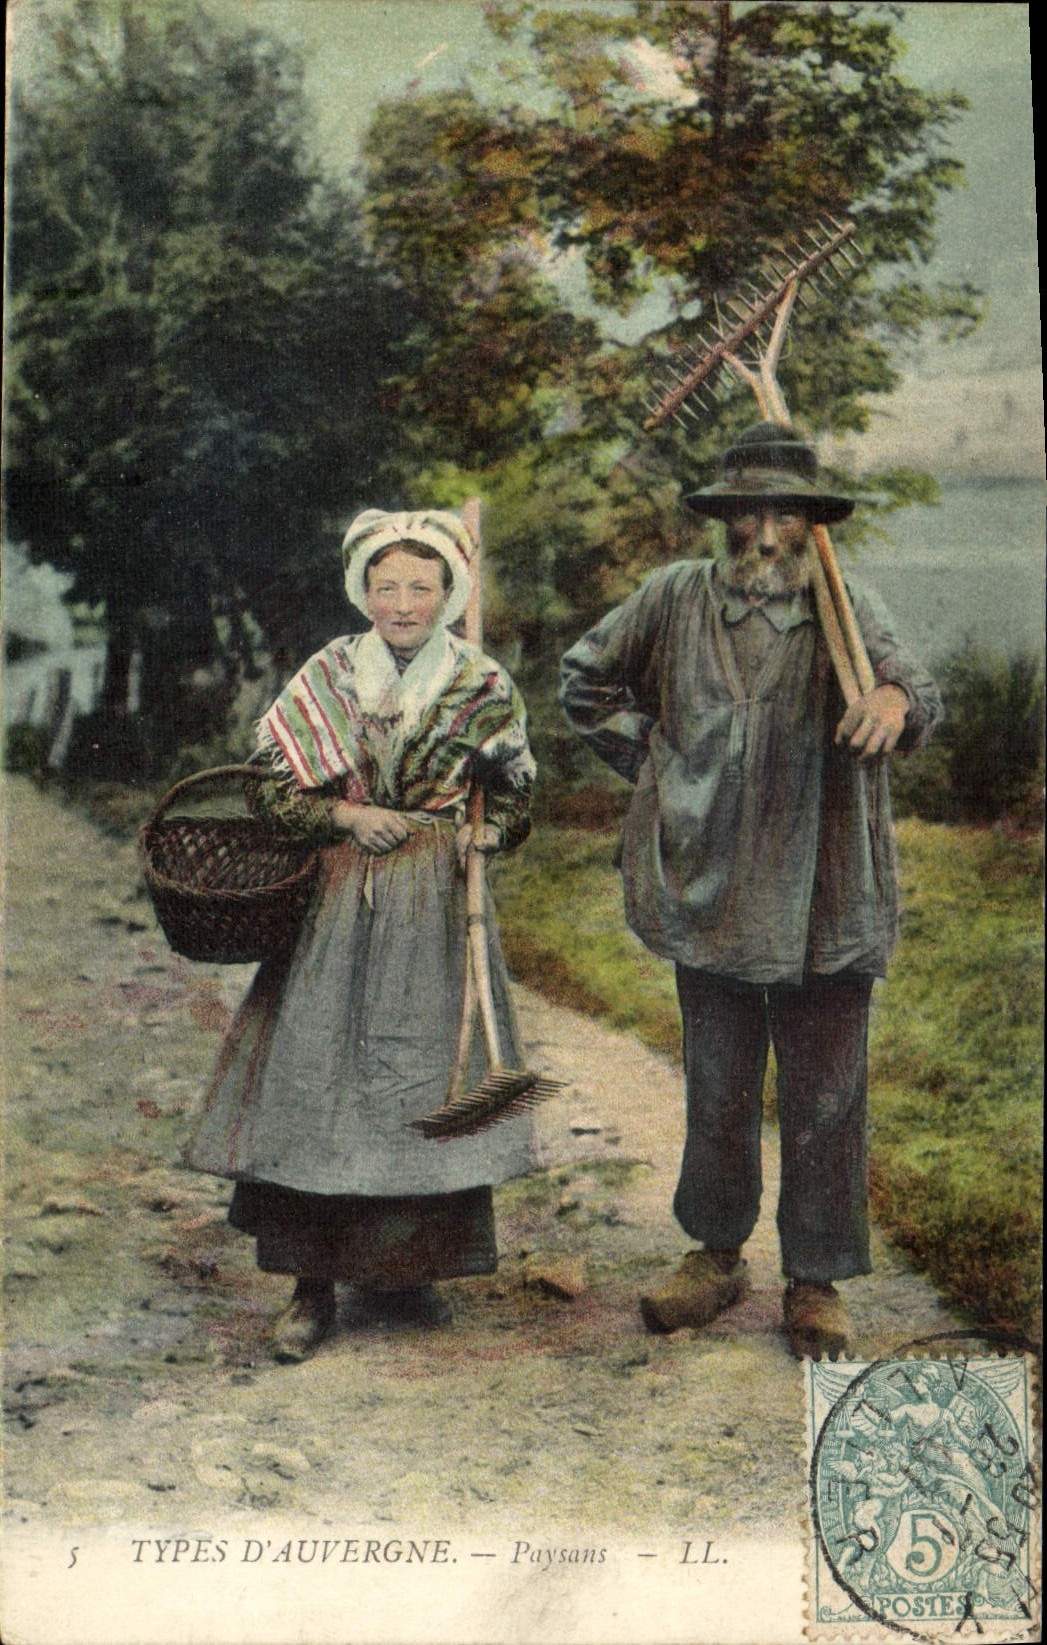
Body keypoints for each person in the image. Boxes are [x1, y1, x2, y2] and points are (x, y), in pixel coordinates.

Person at [559, 422, 941, 1358]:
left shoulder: (845, 608)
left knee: (823, 1094)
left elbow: (918, 690)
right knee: (719, 1084)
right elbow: (584, 682)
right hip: (712, 890)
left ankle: (814, 1278)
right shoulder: (673, 599)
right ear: (721, 523)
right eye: (745, 515)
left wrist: (892, 704)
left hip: (826, 893)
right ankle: (714, 1254)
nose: (764, 536)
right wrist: (658, 765)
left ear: (815, 525)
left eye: (784, 514)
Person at [186, 508, 542, 1360]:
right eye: (386, 586)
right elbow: (269, 787)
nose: (404, 603)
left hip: (435, 902)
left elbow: (518, 793)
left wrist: (491, 831)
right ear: (363, 592)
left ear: (450, 593)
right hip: (338, 899)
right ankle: (310, 1287)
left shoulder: (481, 684)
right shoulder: (329, 675)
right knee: (320, 1070)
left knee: (420, 1074)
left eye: (422, 587)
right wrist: (345, 812)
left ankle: (402, 1269)